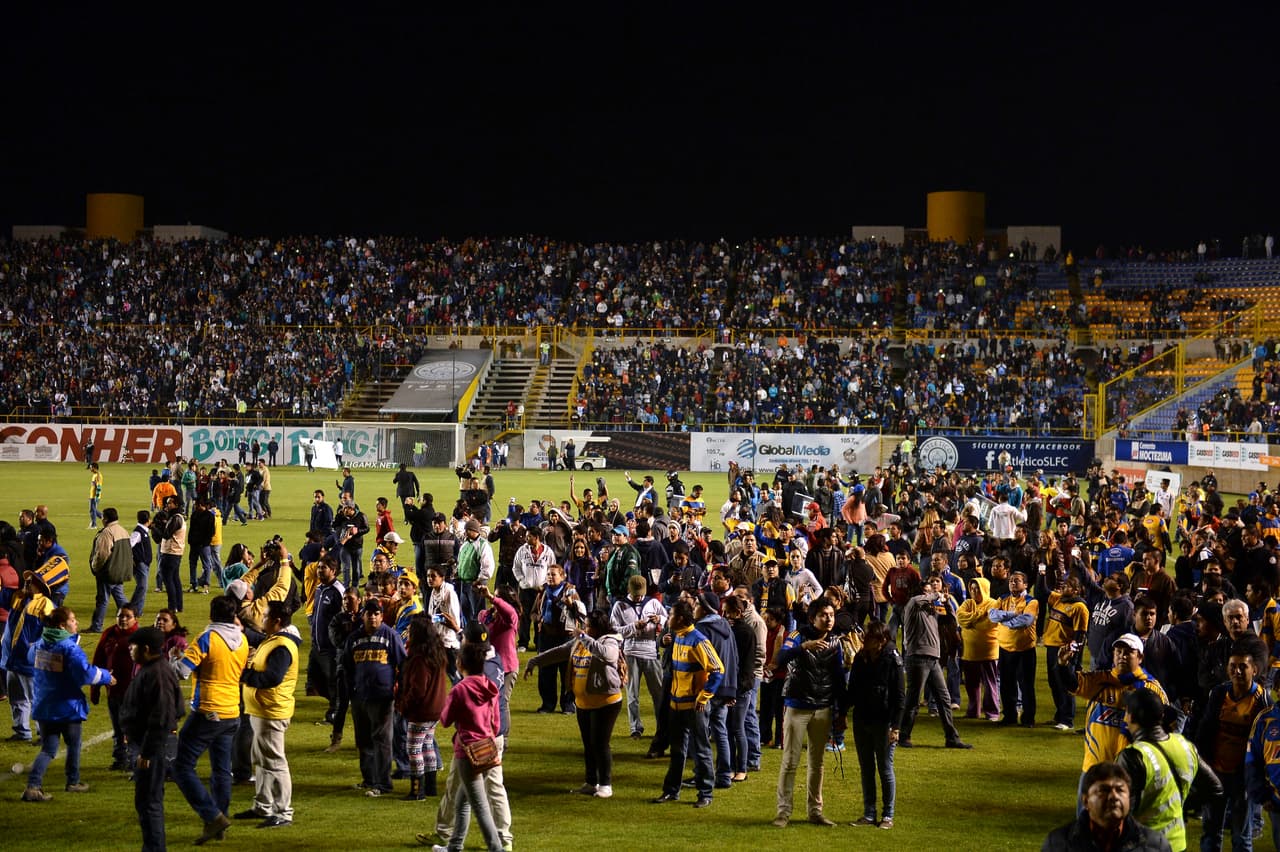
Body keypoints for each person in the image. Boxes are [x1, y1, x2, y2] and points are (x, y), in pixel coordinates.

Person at [173, 594, 249, 845]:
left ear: (211, 614)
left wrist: (173, 658)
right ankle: (219, 821)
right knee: (221, 770)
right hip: (232, 711)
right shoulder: (242, 640)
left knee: (181, 766)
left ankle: (212, 816)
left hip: (208, 710)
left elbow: (182, 671)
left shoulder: (207, 638)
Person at [525, 608, 625, 798]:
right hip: (583, 702)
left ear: (598, 628)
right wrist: (535, 661)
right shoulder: (581, 641)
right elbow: (560, 651)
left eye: (588, 626)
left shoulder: (610, 641)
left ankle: (606, 784)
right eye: (585, 626)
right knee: (588, 744)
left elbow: (607, 655)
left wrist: (584, 637)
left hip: (606, 702)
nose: (585, 629)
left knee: (600, 743)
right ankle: (591, 782)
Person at [773, 597, 855, 827]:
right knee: (790, 761)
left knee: (817, 763)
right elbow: (780, 658)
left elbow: (839, 680)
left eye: (831, 615)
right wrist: (803, 648)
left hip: (823, 708)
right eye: (823, 615)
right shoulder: (797, 635)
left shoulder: (836, 643)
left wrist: (841, 713)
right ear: (812, 618)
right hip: (797, 706)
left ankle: (815, 811)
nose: (829, 619)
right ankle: (783, 813)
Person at [21, 606, 115, 802]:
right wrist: (107, 676)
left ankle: (33, 787)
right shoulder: (69, 648)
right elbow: (85, 674)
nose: (76, 623)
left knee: (48, 749)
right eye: (73, 620)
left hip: (44, 705)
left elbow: (29, 659)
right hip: (67, 706)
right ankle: (73, 782)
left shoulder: (39, 644)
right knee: (74, 745)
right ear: (62, 626)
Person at [1116, 688, 1222, 851]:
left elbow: (1121, 813)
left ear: (1131, 717)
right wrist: (1181, 804)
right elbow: (1215, 788)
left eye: (1127, 711)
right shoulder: (1184, 745)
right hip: (1177, 843)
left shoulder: (1133, 756)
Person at [1194, 637, 1267, 852]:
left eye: (1243, 666)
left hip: (1242, 778)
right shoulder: (1219, 694)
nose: (1237, 671)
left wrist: (1256, 777)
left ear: (1254, 670)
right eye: (1232, 666)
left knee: (1242, 837)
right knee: (1211, 832)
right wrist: (1203, 766)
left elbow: (1265, 745)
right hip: (1216, 773)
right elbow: (1205, 731)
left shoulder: (1262, 701)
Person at [432, 640, 505, 852]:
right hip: (487, 749)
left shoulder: (459, 690)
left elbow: (445, 720)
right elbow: (496, 723)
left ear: (461, 664)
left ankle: (496, 848)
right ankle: (455, 846)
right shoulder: (490, 687)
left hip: (468, 753)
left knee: (479, 805)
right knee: (462, 801)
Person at [651, 599, 724, 808]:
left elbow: (718, 669)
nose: (668, 619)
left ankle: (705, 793)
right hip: (676, 705)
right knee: (677, 751)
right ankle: (671, 791)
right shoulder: (678, 637)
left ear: (681, 619)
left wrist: (704, 696)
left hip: (694, 707)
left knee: (701, 749)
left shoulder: (698, 640)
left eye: (671, 615)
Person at [237, 600, 302, 828]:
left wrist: (245, 676)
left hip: (271, 711)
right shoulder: (274, 639)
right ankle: (263, 805)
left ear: (276, 621)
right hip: (263, 709)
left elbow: (272, 678)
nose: (261, 619)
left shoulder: (282, 646)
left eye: (265, 616)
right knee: (262, 759)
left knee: (275, 761)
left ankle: (284, 812)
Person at [119, 626, 184, 852]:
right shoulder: (152, 669)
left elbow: (164, 716)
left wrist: (146, 752)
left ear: (146, 649)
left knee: (149, 802)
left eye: (133, 646)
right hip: (148, 743)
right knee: (146, 800)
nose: (130, 650)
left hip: (152, 748)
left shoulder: (157, 673)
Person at [897, 575, 973, 749]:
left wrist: (947, 603)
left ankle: (952, 738)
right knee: (913, 700)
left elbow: (951, 620)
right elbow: (921, 599)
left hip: (933, 658)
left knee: (944, 699)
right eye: (926, 591)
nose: (928, 594)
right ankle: (903, 736)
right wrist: (937, 594)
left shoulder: (932, 610)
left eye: (929, 592)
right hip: (917, 657)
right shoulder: (912, 604)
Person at [343, 598, 406, 797]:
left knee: (382, 740)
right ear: (363, 616)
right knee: (363, 740)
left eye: (376, 614)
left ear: (381, 616)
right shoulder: (354, 638)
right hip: (360, 696)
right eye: (369, 613)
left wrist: (399, 691)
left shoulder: (390, 635)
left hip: (383, 696)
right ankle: (369, 779)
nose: (372, 617)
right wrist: (351, 690)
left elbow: (403, 664)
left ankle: (383, 783)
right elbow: (346, 666)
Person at [1041, 761, 1173, 851]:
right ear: (1085, 801)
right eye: (1104, 790)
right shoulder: (1058, 843)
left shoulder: (1156, 845)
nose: (1113, 796)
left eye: (1120, 790)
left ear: (1129, 799)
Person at [847, 620, 903, 830]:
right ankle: (869, 813)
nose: (865, 640)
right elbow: (852, 688)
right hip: (862, 718)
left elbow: (900, 696)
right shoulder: (861, 658)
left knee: (885, 767)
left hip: (883, 721)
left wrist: (896, 727)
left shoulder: (893, 660)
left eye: (869, 637)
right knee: (866, 768)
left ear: (881, 640)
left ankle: (888, 814)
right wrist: (842, 713)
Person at [397, 613, 449, 800]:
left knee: (414, 748)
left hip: (422, 711)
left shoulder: (419, 658)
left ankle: (417, 790)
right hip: (436, 709)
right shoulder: (437, 652)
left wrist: (404, 705)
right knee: (427, 745)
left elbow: (418, 689)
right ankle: (430, 787)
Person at [610, 574, 667, 740]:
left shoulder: (653, 603)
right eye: (636, 594)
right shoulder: (620, 605)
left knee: (659, 693)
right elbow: (614, 630)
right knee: (632, 694)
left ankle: (662, 727)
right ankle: (635, 727)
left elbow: (668, 620)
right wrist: (633, 626)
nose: (638, 597)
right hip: (630, 652)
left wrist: (660, 619)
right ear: (629, 589)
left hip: (651, 652)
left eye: (641, 594)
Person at [3, 569, 57, 743]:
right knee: (16, 698)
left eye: (30, 581)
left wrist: (37, 647)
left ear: (39, 585)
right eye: (26, 580)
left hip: (29, 660)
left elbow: (52, 630)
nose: (26, 583)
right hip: (11, 658)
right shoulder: (18, 596)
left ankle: (45, 734)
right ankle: (22, 731)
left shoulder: (46, 604)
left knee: (36, 699)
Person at [90, 605, 139, 771]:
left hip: (133, 692)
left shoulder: (139, 637)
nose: (123, 619)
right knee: (117, 727)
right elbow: (98, 659)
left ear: (135, 619)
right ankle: (120, 759)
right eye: (120, 616)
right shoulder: (109, 633)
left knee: (132, 728)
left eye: (127, 616)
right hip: (113, 691)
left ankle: (133, 761)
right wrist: (95, 688)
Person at [990, 570, 1039, 727]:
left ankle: (1028, 718)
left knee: (1026, 686)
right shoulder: (1003, 598)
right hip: (1005, 649)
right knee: (1006, 684)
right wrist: (1013, 614)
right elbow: (992, 615)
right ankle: (1010, 716)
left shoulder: (1031, 601)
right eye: (1011, 580)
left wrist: (1004, 620)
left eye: (1017, 580)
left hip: (1024, 650)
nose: (1012, 583)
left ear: (1025, 584)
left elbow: (1025, 621)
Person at [957, 576, 1001, 721]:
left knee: (990, 684)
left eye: (977, 589)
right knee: (971, 684)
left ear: (985, 589)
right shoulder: (967, 603)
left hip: (988, 651)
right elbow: (960, 618)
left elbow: (988, 624)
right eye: (972, 589)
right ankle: (973, 711)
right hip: (969, 652)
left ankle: (992, 712)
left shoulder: (993, 604)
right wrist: (979, 616)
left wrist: (971, 622)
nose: (974, 591)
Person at [89, 507, 134, 633]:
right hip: (119, 571)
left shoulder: (107, 532)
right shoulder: (123, 530)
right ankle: (133, 620)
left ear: (106, 519)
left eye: (103, 517)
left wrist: (95, 567)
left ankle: (96, 626)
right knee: (120, 598)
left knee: (102, 599)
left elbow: (102, 554)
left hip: (108, 572)